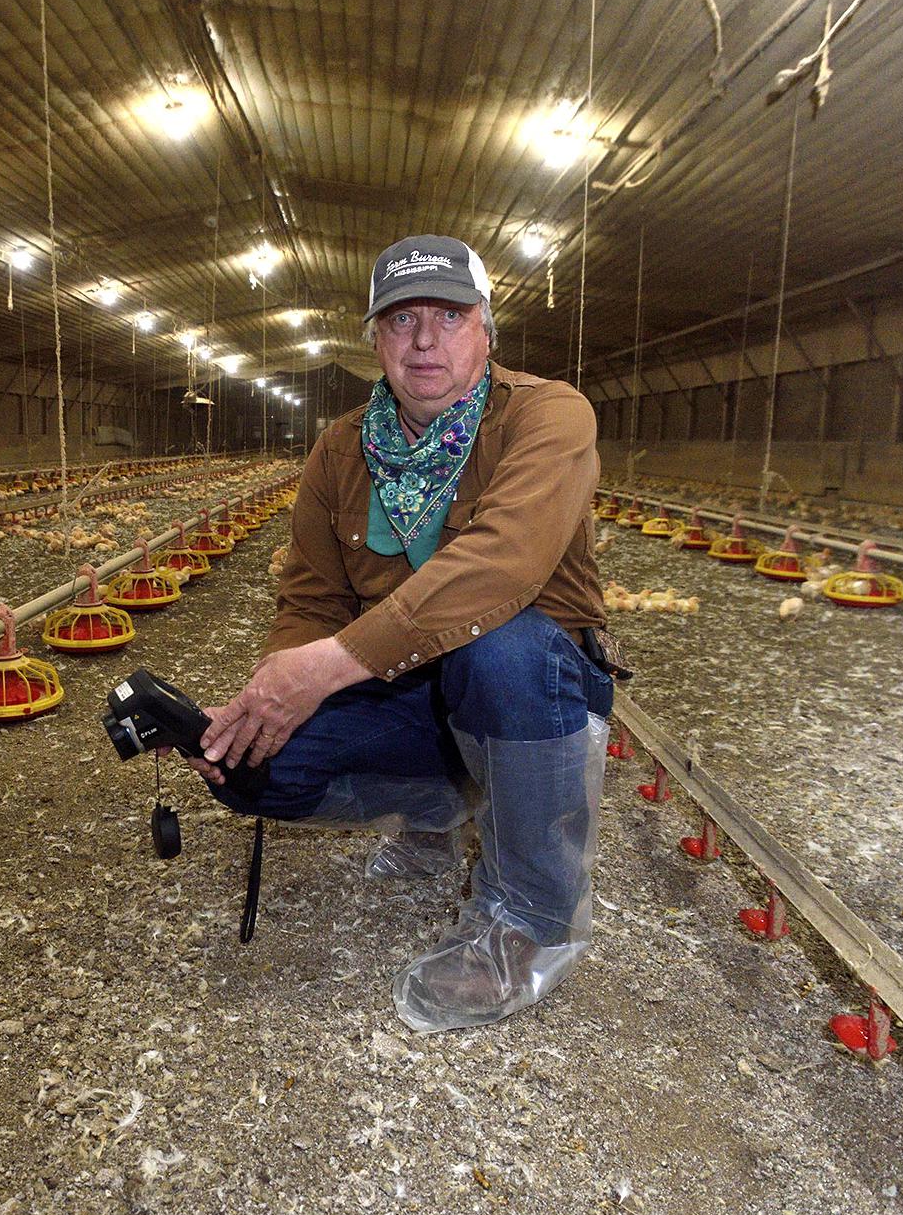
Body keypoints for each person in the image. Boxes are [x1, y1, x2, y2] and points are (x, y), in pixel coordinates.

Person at [188, 234, 613, 1033]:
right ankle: (443, 809)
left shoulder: (549, 414)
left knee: (498, 645)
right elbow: (312, 598)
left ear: (486, 326)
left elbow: (504, 562)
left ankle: (529, 918)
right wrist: (272, 695)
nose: (425, 340)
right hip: (412, 684)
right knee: (259, 773)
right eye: (402, 319)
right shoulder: (340, 449)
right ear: (374, 337)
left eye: (448, 317)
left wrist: (329, 667)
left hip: (535, 683)